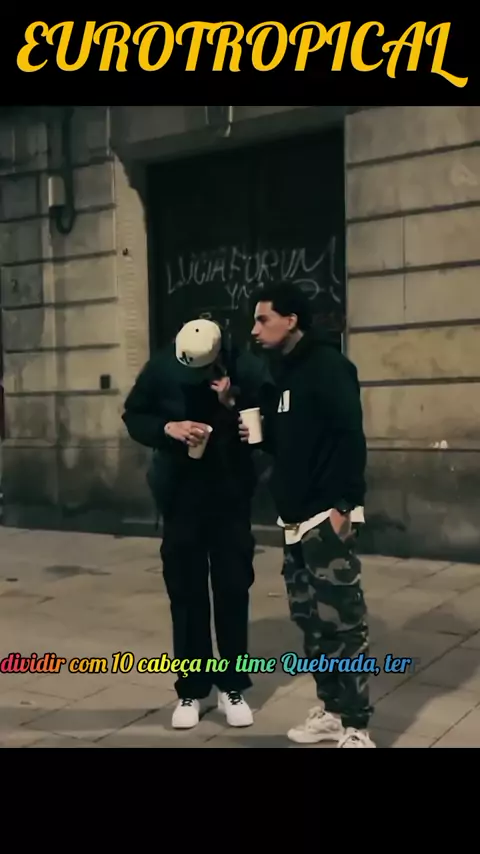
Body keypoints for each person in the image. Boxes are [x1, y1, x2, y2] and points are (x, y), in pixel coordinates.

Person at [240, 283, 375, 748]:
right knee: (311, 620)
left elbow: (349, 436)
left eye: (263, 319)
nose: (255, 329)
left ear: (291, 320)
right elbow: (286, 442)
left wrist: (346, 504)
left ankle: (357, 726)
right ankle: (332, 712)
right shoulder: (278, 373)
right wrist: (257, 434)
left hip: (325, 514)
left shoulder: (329, 367)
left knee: (344, 622)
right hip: (293, 519)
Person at [122, 318, 273, 730]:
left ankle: (233, 685)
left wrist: (233, 402)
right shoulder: (162, 367)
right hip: (181, 495)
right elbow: (134, 415)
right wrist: (167, 428)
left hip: (230, 493)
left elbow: (267, 417)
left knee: (232, 589)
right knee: (186, 592)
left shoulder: (245, 365)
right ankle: (191, 688)